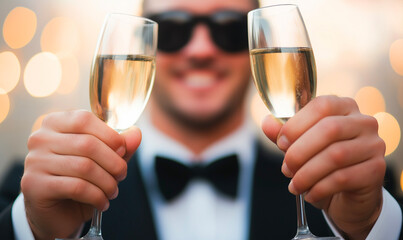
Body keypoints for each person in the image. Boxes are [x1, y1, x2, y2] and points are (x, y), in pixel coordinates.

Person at [0, 0, 402, 239]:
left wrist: (370, 226)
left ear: (253, 44)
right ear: (148, 43)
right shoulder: (40, 192)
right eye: (174, 29)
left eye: (227, 29)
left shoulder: (350, 185)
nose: (201, 49)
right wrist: (33, 230)